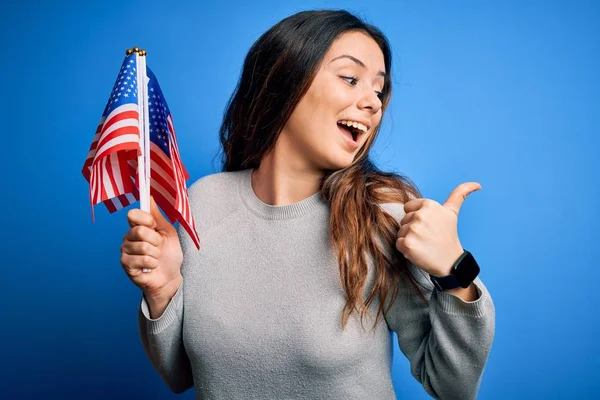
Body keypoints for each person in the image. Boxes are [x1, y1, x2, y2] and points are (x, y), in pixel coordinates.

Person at [120, 9, 495, 400]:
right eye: (350, 79)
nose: (372, 103)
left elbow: (454, 386)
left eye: (379, 90)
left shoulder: (381, 214)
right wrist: (162, 291)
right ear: (285, 80)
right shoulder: (203, 201)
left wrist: (454, 271)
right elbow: (181, 376)